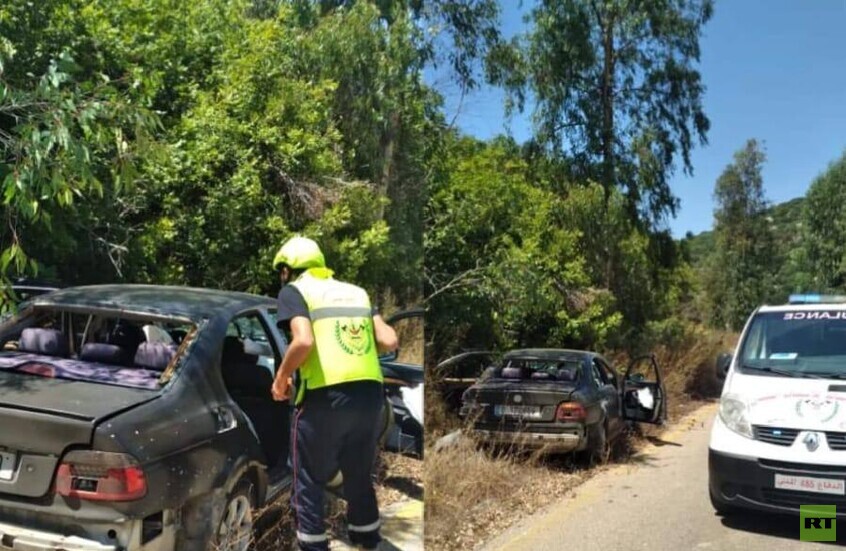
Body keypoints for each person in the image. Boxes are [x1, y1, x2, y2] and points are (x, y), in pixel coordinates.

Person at [269, 236, 398, 551]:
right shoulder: (356, 293)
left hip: (324, 399)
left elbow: (303, 341)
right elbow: (389, 339)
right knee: (358, 473)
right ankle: (368, 540)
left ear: (287, 270)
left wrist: (281, 378)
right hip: (369, 397)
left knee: (309, 478)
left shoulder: (295, 291)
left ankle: (313, 547)